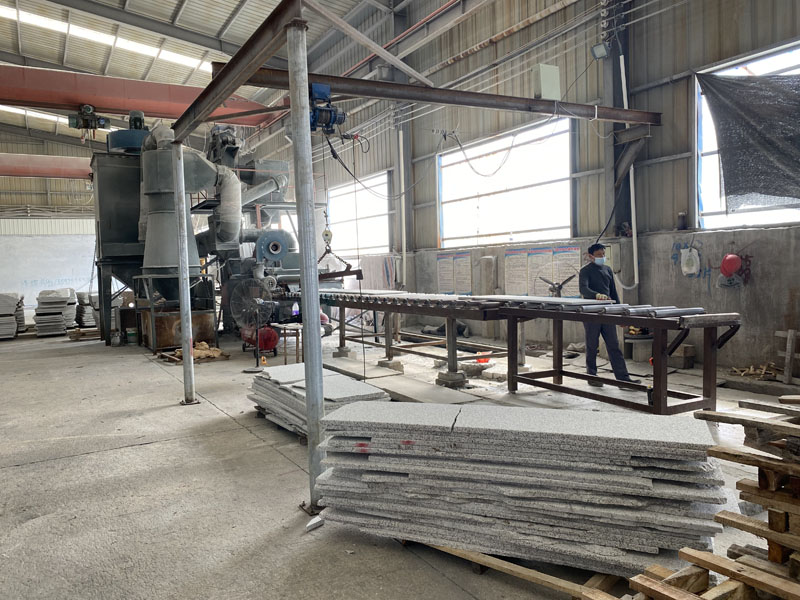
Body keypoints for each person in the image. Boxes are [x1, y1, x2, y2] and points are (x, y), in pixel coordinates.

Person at [578, 243, 640, 387]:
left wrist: (620, 313)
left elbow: (613, 293)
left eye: (603, 254)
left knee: (614, 345)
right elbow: (583, 289)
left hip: (608, 312)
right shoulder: (585, 271)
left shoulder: (607, 270)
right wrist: (596, 295)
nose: (602, 257)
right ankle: (592, 376)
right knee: (592, 345)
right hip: (591, 312)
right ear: (591, 256)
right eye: (599, 255)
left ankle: (623, 379)